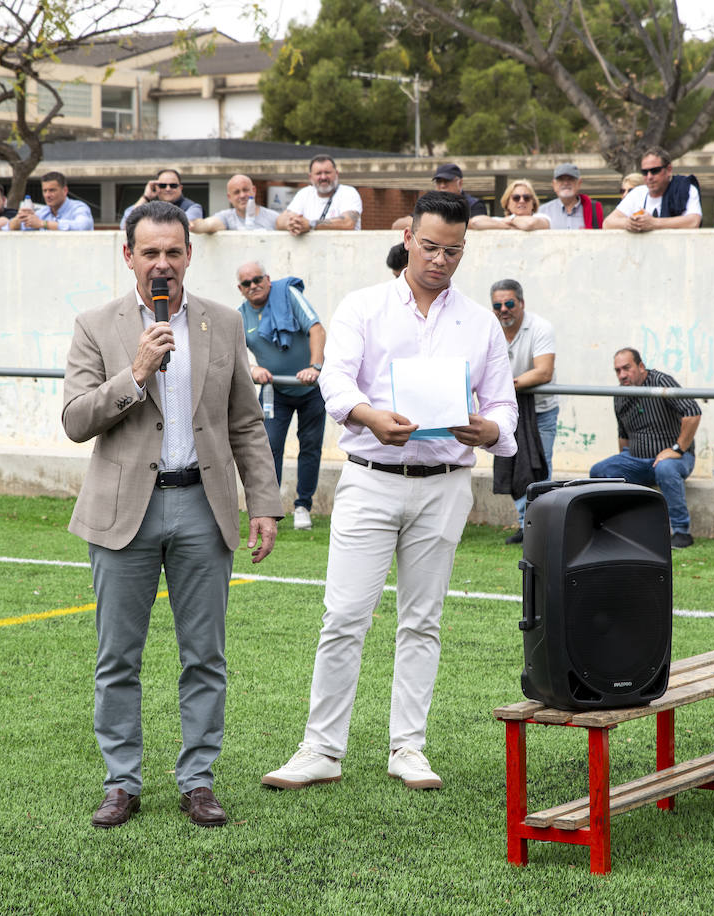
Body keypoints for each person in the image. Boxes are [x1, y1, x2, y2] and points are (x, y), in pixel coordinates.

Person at [262, 191, 518, 792]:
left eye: (453, 250)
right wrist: (369, 416)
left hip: (446, 483)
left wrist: (491, 429)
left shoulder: (480, 323)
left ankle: (409, 747)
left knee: (423, 620)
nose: (441, 260)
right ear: (408, 238)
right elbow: (335, 381)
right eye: (430, 246)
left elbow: (503, 405)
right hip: (371, 479)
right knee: (345, 615)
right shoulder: (364, 307)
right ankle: (321, 749)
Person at [61, 200, 283, 830]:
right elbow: (76, 420)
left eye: (173, 252)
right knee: (117, 659)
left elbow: (244, 421)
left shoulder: (222, 323)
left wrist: (263, 501)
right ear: (128, 255)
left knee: (205, 655)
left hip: (202, 508)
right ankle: (121, 782)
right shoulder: (95, 325)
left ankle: (198, 780)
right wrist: (135, 372)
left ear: (190, 254)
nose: (162, 264)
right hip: (121, 512)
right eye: (150, 252)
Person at [236, 261, 326, 531]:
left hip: (311, 388)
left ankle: (303, 506)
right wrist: (252, 369)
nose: (254, 286)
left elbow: (316, 329)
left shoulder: (288, 294)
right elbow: (234, 355)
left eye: (258, 279)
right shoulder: (240, 316)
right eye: (247, 283)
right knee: (268, 448)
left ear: (268, 279)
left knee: (310, 447)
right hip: (274, 391)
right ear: (240, 289)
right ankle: (269, 509)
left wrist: (315, 367)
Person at [589, 348, 701, 549]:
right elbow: (623, 435)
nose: (622, 375)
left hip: (675, 459)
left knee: (665, 468)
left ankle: (682, 533)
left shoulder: (661, 382)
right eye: (617, 371)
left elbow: (693, 412)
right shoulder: (620, 394)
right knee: (600, 471)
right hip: (638, 460)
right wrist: (624, 464)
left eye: (626, 368)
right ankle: (616, 528)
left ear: (641, 366)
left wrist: (677, 449)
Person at [492, 278, 557, 544]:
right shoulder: (489, 327)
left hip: (541, 412)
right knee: (510, 466)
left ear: (521, 303)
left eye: (509, 303)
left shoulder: (540, 327)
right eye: (497, 305)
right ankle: (525, 524)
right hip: (504, 412)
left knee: (539, 469)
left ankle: (543, 527)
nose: (503, 310)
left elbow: (544, 371)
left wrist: (506, 385)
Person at [604, 147, 702, 231]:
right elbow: (608, 223)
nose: (649, 176)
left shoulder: (685, 188)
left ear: (668, 170)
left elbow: (693, 221)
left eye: (655, 171)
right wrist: (629, 223)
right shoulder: (637, 193)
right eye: (645, 172)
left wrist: (654, 223)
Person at [278, 155, 362, 234]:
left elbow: (348, 223)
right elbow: (279, 221)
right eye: (318, 173)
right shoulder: (304, 194)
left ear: (336, 174)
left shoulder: (348, 193)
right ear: (310, 177)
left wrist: (311, 224)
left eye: (327, 172)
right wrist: (293, 224)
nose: (323, 177)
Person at [391, 163, 488, 229]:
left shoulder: (474, 204)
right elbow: (397, 225)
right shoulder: (429, 205)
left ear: (460, 183)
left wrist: (428, 223)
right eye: (439, 181)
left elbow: (478, 224)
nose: (442, 185)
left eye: (447, 181)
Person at [190, 174, 279, 233]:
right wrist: (191, 224)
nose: (242, 195)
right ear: (229, 197)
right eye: (236, 192)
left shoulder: (272, 217)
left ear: (254, 191)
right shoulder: (226, 217)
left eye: (245, 190)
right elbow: (207, 225)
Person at [11, 171, 93, 231]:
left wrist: (44, 224)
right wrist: (18, 219)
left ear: (65, 190)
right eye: (45, 191)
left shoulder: (78, 207)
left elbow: (82, 226)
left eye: (52, 190)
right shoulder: (42, 212)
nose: (47, 195)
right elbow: (7, 228)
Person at [122, 168, 203, 225]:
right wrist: (146, 197)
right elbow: (126, 224)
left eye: (173, 185)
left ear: (180, 188)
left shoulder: (193, 208)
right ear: (156, 187)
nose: (168, 189)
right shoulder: (148, 206)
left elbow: (183, 225)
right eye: (162, 185)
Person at [539, 163, 603, 229]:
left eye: (570, 179)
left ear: (579, 183)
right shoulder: (543, 211)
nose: (566, 183)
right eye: (561, 179)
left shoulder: (594, 210)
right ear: (554, 184)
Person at [471, 178, 550, 231]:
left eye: (526, 197)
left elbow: (529, 224)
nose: (522, 201)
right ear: (507, 203)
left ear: (533, 203)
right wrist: (507, 225)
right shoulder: (502, 221)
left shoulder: (542, 218)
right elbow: (475, 222)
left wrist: (510, 220)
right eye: (516, 197)